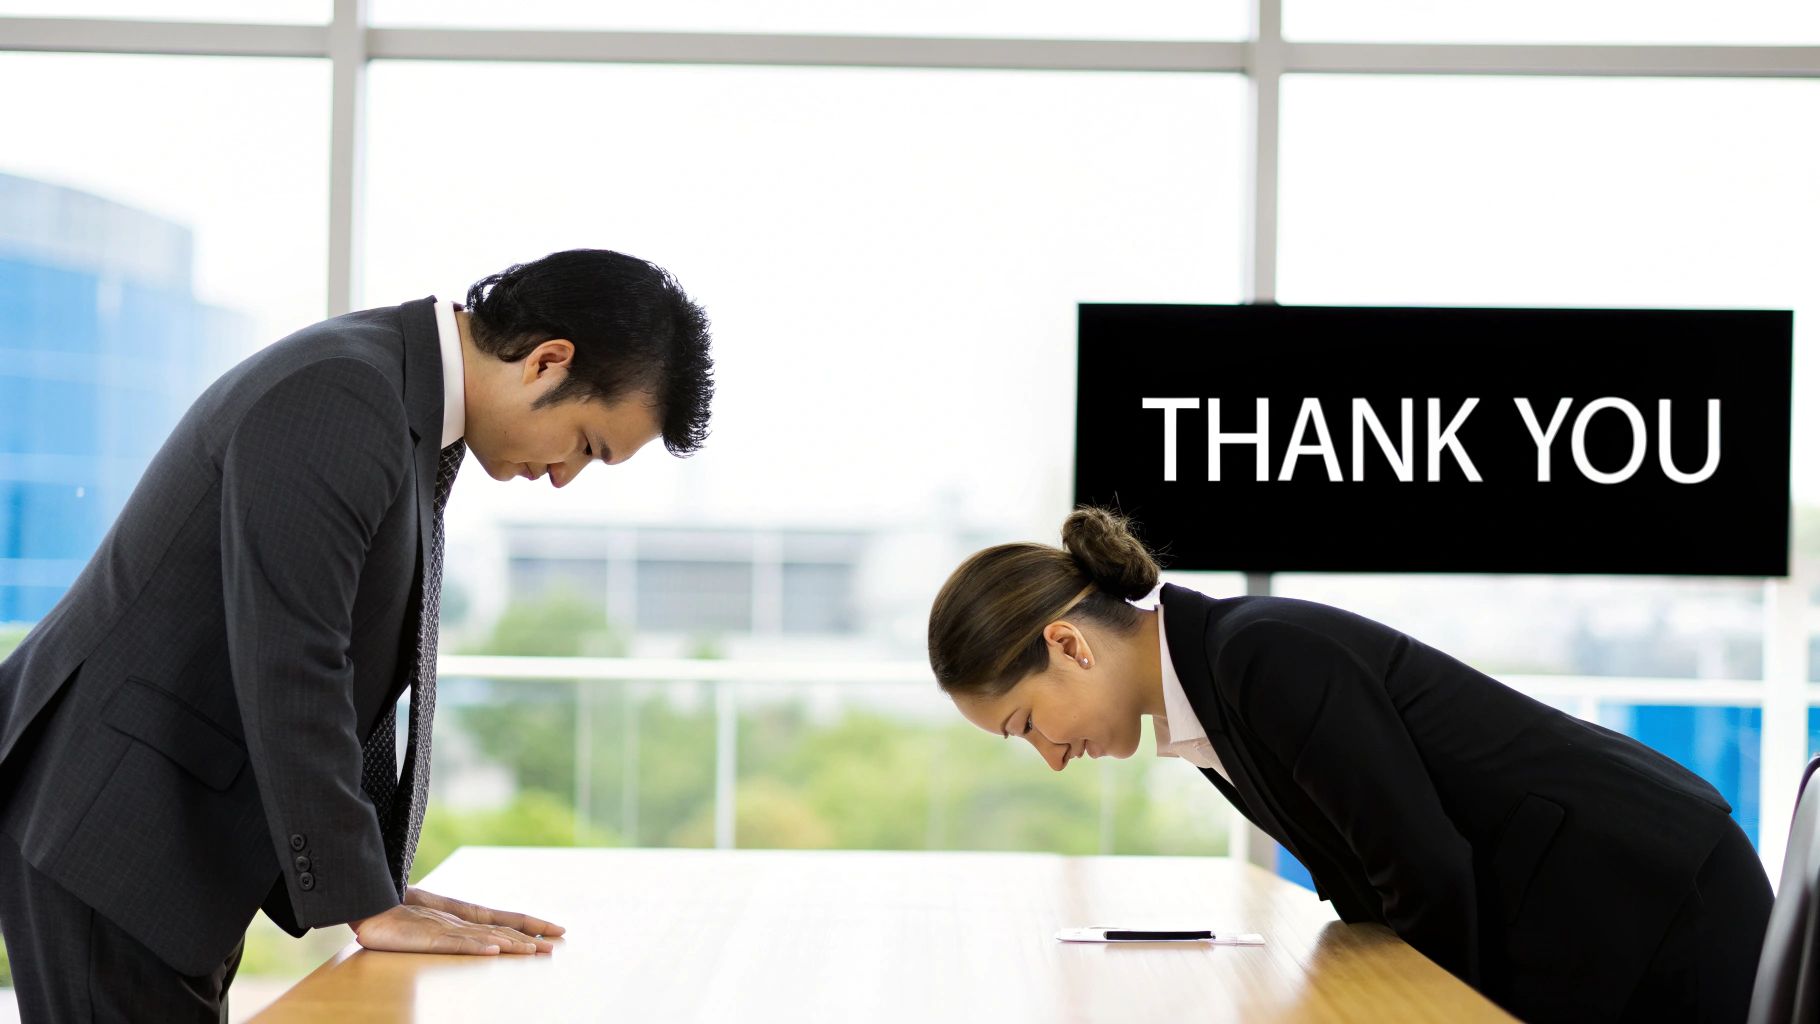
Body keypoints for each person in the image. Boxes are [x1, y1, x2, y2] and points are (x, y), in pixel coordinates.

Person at [0, 248, 714, 1021]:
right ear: (547, 362)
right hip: (117, 829)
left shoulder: (393, 396)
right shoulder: (346, 393)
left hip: (171, 827)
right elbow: (294, 660)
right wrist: (368, 905)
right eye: (586, 443)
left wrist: (373, 882)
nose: (567, 474)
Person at [928, 507, 1774, 1023]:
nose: (1050, 759)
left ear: (1068, 644)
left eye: (1028, 723)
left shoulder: (1257, 658)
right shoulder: (1209, 687)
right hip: (1589, 908)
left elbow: (1425, 872)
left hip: (1651, 896)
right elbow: (1382, 878)